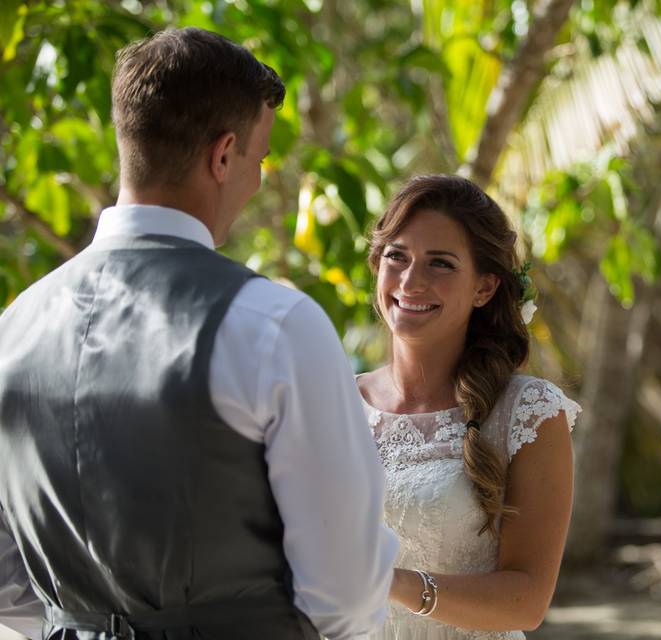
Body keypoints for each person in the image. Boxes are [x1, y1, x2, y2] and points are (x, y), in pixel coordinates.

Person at [0, 27, 397, 640]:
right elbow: (344, 595)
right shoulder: (274, 325)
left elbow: (6, 581)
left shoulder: (13, 327)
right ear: (222, 155)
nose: (258, 180)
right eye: (258, 159)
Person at [356, 174, 579, 639]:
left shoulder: (529, 412)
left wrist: (393, 584)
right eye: (397, 256)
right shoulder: (334, 401)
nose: (411, 280)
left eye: (440, 264)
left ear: (484, 288)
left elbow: (527, 602)